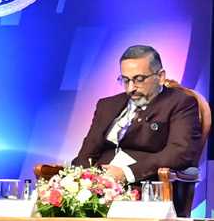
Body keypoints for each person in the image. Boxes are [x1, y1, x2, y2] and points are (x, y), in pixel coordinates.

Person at [70, 44, 203, 208]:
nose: (131, 88)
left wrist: (126, 173)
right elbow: (87, 152)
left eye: (139, 79)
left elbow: (179, 153)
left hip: (144, 188)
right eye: (125, 80)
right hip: (95, 188)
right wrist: (80, 182)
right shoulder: (107, 105)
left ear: (160, 76)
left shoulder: (180, 103)